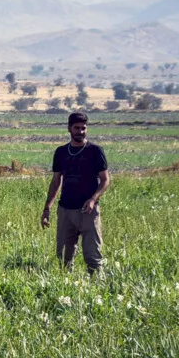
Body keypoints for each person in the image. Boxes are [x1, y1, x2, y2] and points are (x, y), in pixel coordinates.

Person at [42, 111, 110, 274]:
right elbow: (56, 181)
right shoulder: (61, 152)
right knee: (64, 260)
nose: (80, 131)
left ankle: (97, 291)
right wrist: (47, 208)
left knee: (93, 258)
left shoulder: (95, 151)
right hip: (65, 211)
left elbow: (105, 180)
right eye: (77, 128)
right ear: (69, 129)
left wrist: (93, 199)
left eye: (83, 128)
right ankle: (67, 291)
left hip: (88, 212)